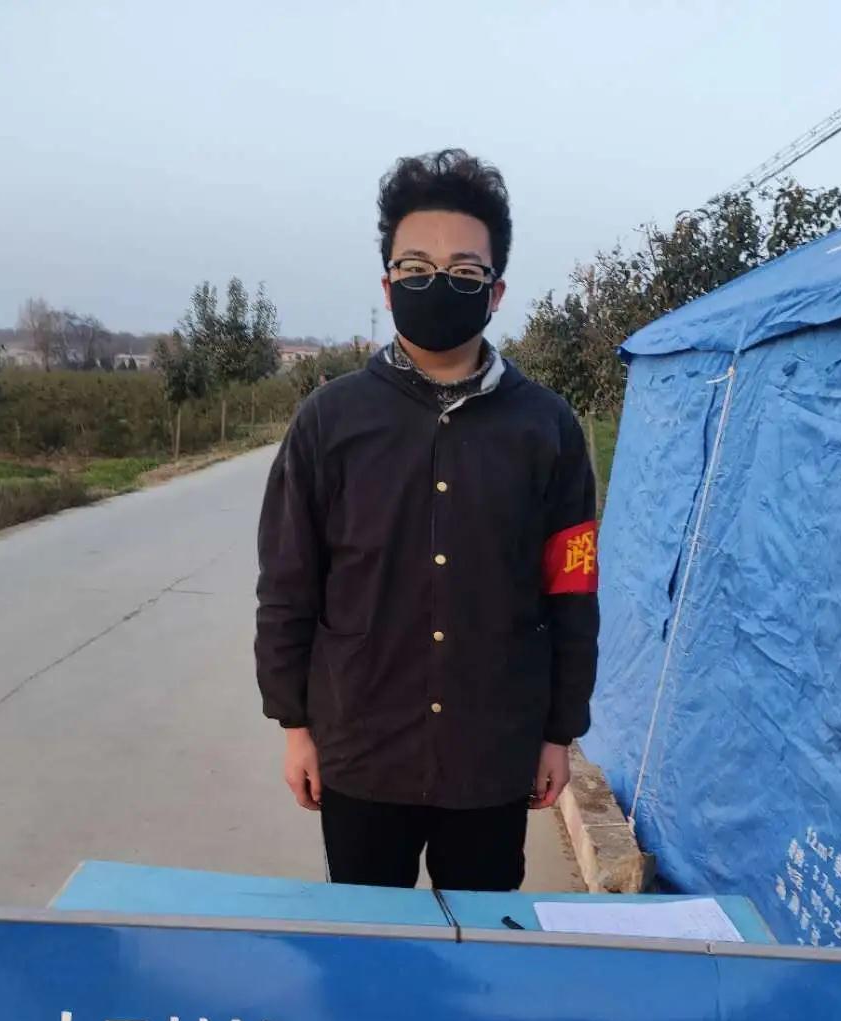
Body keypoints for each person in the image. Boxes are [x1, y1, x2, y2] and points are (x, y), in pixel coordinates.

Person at [255, 148, 598, 892]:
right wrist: (296, 727)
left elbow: (572, 592)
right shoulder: (329, 422)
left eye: (464, 271)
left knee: (479, 946)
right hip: (361, 749)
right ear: (387, 286)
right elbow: (288, 583)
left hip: (493, 754)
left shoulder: (548, 429)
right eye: (416, 267)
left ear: (495, 292)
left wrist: (558, 733)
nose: (438, 284)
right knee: (367, 942)